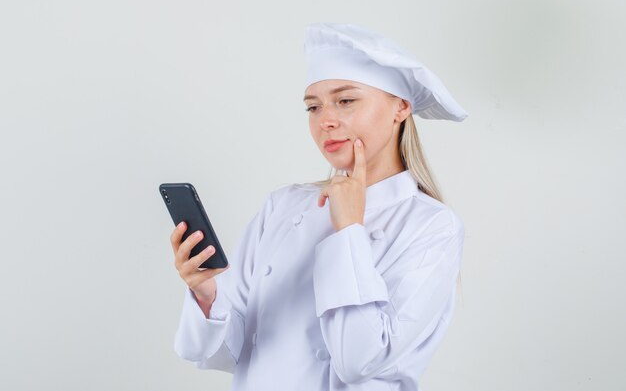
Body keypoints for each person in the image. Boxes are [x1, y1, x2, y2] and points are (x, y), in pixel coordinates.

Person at [170, 22, 468, 390]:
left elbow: (359, 360)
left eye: (346, 100)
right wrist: (206, 293)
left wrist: (349, 231)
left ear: (400, 107)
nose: (326, 120)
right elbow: (227, 355)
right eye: (313, 106)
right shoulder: (283, 206)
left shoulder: (431, 225)